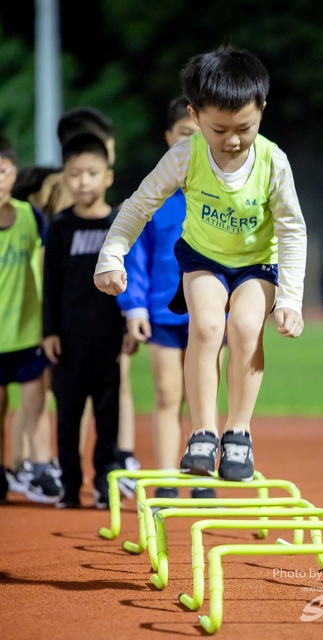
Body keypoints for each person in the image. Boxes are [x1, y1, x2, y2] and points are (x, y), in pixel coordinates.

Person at [94, 46, 307, 482]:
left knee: (245, 326)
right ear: (194, 115)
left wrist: (290, 299)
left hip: (256, 264)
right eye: (218, 129)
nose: (232, 140)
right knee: (207, 326)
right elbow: (138, 206)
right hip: (203, 258)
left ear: (262, 109)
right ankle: (203, 432)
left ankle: (239, 433)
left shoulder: (273, 162)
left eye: (245, 127)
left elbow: (292, 231)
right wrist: (111, 255)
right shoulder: (184, 155)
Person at [117, 95, 216, 501]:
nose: (191, 142)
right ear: (169, 137)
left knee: (203, 397)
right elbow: (136, 257)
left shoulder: (219, 194)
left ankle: (202, 478)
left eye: (199, 135)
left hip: (209, 313)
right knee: (166, 394)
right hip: (161, 313)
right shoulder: (154, 196)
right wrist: (134, 307)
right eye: (183, 134)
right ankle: (166, 479)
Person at [43, 133, 133, 509]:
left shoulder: (120, 224)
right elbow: (50, 282)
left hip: (109, 336)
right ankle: (69, 484)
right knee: (68, 415)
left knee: (107, 415)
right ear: (65, 177)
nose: (83, 181)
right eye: (75, 173)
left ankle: (104, 482)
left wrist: (129, 324)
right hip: (68, 338)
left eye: (92, 173)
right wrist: (49, 330)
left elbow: (131, 279)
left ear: (107, 177)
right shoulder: (60, 226)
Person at [0, 136, 62, 503]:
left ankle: (40, 469)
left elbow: (49, 264)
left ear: (14, 173)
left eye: (3, 171)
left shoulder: (31, 217)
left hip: (26, 331)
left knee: (36, 404)